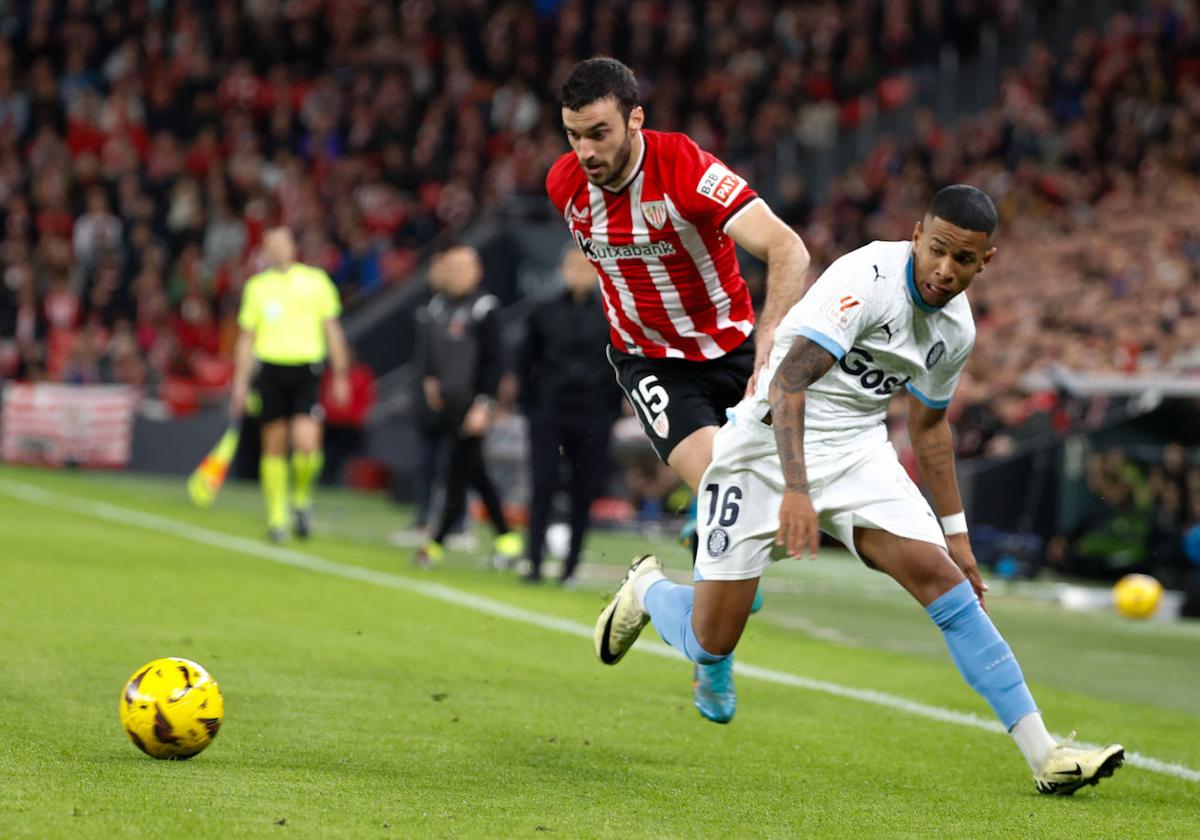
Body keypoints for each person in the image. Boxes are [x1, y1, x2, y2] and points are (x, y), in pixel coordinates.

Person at [593, 185, 1125, 794]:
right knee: (710, 641)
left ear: (987, 261)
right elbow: (788, 383)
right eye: (939, 251)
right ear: (918, 236)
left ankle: (1046, 756)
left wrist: (959, 539)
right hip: (766, 447)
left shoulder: (956, 330)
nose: (946, 271)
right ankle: (649, 588)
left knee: (946, 584)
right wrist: (797, 491)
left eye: (965, 260)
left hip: (855, 450)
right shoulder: (867, 277)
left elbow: (928, 430)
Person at [546, 57, 811, 722]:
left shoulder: (686, 169)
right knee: (735, 492)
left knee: (752, 524)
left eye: (600, 133)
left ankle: (662, 588)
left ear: (637, 119)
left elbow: (788, 249)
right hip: (652, 365)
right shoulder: (565, 186)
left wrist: (773, 336)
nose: (586, 151)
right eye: (574, 134)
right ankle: (693, 631)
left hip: (736, 350)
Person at [231, 226, 349, 542]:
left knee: (307, 444)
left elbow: (332, 329)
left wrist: (340, 373)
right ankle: (277, 517)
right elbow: (246, 337)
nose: (276, 250)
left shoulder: (316, 282)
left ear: (293, 247)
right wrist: (240, 383)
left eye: (281, 243)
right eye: (270, 245)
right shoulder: (257, 287)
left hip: (306, 369)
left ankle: (301, 498)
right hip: (270, 369)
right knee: (274, 443)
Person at [413, 245, 523, 569]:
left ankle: (436, 543)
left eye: (465, 266)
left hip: (471, 405)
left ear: (478, 272)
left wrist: (484, 405)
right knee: (474, 474)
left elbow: (495, 362)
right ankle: (507, 538)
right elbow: (428, 352)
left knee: (457, 474)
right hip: (444, 404)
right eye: (453, 266)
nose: (458, 273)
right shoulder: (438, 306)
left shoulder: (484, 308)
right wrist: (430, 379)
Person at [519, 247, 623, 585]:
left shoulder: (611, 314)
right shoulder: (543, 311)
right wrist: (530, 406)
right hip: (550, 410)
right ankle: (533, 561)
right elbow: (525, 361)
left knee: (584, 491)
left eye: (585, 265)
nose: (579, 272)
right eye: (573, 265)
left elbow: (621, 361)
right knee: (542, 485)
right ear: (562, 269)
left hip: (593, 413)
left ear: (596, 271)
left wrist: (611, 407)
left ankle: (571, 566)